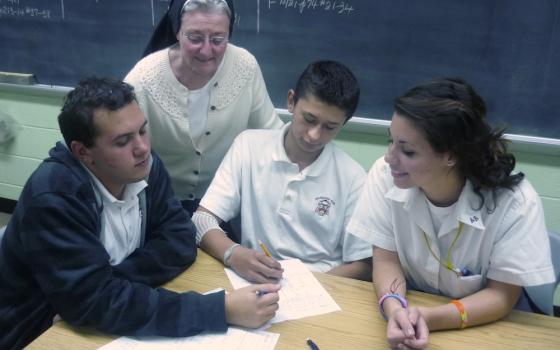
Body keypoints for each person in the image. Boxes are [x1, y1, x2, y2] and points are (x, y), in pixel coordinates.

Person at [0, 77, 280, 350]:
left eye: (142, 131)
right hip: (35, 329)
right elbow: (96, 305)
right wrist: (220, 309)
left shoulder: (144, 167)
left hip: (82, 313)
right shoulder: (55, 196)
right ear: (83, 152)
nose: (143, 148)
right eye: (123, 141)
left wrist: (110, 282)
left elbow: (180, 239)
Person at [347, 78, 555, 349]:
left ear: (451, 155)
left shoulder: (514, 201)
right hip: (417, 304)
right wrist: (395, 308)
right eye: (391, 141)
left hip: (491, 321)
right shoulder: (384, 176)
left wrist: (433, 318)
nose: (389, 158)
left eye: (407, 150)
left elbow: (502, 295)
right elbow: (386, 259)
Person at [193, 60, 372, 283]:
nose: (314, 135)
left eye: (330, 127)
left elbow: (364, 265)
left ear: (344, 123)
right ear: (291, 101)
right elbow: (201, 220)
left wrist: (310, 285)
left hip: (324, 287)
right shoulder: (248, 146)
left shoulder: (354, 178)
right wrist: (233, 254)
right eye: (309, 119)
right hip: (254, 279)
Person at [125, 0, 283, 218]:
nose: (207, 50)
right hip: (158, 203)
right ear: (177, 32)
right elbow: (123, 149)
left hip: (222, 202)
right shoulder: (144, 78)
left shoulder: (245, 66)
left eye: (218, 39)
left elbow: (270, 133)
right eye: (195, 38)